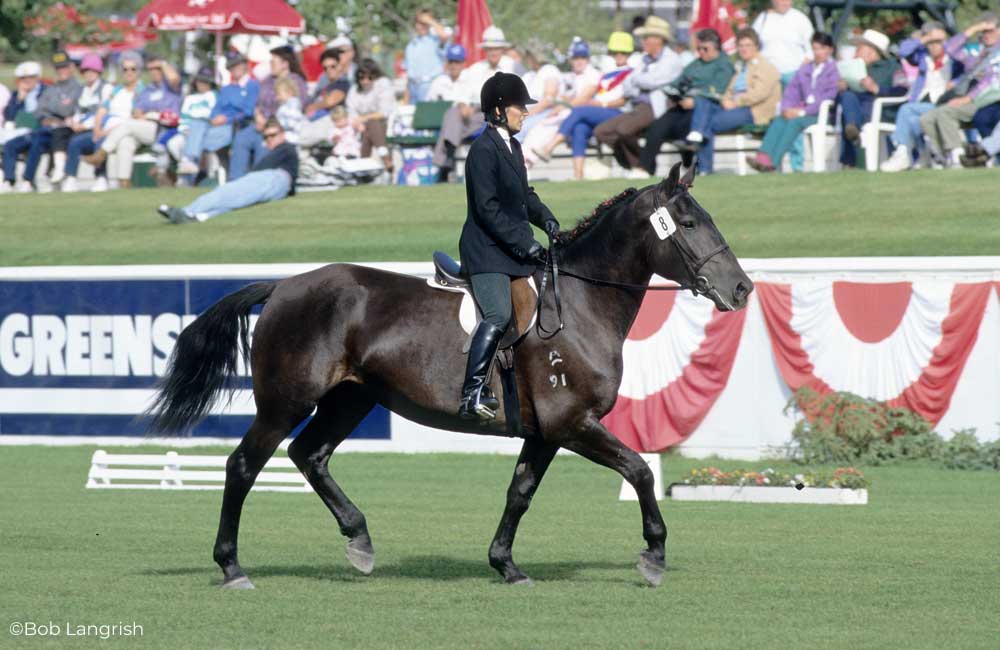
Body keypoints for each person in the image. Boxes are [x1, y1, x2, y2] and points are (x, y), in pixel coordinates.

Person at [457, 71, 560, 421]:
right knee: (500, 314)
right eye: (520, 106)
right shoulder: (482, 151)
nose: (526, 112)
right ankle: (471, 393)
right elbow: (487, 210)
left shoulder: (513, 146)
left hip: (510, 249)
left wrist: (546, 218)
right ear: (499, 110)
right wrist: (526, 243)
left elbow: (523, 196)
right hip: (486, 250)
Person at [532, 32, 635, 180]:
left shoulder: (631, 73)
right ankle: (578, 176)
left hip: (618, 113)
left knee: (578, 111)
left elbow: (625, 100)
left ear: (629, 53)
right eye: (615, 52)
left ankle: (549, 147)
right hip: (601, 111)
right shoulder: (607, 72)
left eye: (623, 52)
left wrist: (602, 103)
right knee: (579, 128)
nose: (618, 55)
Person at [679, 27, 781, 174]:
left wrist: (735, 102)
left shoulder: (765, 66)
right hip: (733, 107)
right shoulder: (741, 67)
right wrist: (726, 100)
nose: (744, 49)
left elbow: (760, 93)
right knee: (703, 100)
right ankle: (698, 140)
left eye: (748, 45)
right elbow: (728, 91)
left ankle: (703, 165)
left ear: (756, 46)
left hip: (753, 110)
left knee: (707, 123)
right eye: (741, 46)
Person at [158, 117, 297, 224]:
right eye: (266, 137)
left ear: (282, 134)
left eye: (273, 135)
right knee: (238, 199)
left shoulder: (286, 147)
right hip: (276, 183)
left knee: (231, 191)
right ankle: (199, 216)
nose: (269, 139)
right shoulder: (276, 151)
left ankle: (188, 211)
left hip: (276, 178)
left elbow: (261, 168)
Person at [594, 15, 684, 175]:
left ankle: (642, 166)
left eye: (646, 38)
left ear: (658, 39)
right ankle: (638, 164)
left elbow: (652, 81)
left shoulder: (672, 60)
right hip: (636, 105)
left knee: (624, 130)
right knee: (601, 131)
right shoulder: (645, 59)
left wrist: (636, 80)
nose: (642, 41)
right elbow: (629, 86)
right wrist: (637, 81)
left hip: (654, 107)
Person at [639, 28, 734, 175]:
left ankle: (693, 166)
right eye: (698, 48)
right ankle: (644, 169)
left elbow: (718, 90)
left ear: (716, 48)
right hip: (684, 104)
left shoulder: (724, 64)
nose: (701, 52)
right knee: (657, 127)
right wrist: (673, 92)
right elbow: (679, 81)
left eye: (705, 49)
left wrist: (695, 101)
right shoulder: (696, 63)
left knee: (686, 127)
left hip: (706, 107)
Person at [83, 55, 181, 189]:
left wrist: (162, 62)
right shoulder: (148, 90)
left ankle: (101, 153)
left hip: (165, 129)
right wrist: (144, 115)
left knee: (126, 124)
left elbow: (174, 78)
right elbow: (137, 112)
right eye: (151, 69)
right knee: (125, 142)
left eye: (157, 69)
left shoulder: (170, 87)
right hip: (146, 126)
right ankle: (124, 183)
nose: (154, 71)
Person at [433, 25, 516, 181]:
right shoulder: (476, 69)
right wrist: (463, 104)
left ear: (502, 49)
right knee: (453, 113)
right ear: (485, 50)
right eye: (489, 48)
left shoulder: (511, 67)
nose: (492, 52)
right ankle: (448, 161)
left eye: (496, 48)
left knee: (454, 121)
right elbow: (464, 92)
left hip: (498, 113)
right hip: (475, 113)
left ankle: (445, 164)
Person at [747, 32, 839, 172]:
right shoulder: (805, 68)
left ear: (829, 50)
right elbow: (792, 91)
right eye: (815, 48)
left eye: (821, 48)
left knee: (793, 123)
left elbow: (828, 97)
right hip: (800, 111)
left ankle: (773, 162)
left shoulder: (833, 70)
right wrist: (787, 108)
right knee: (779, 120)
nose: (818, 52)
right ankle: (763, 157)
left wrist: (802, 111)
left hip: (819, 114)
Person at [881, 22, 964, 172]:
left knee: (906, 110)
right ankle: (920, 154)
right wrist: (924, 39)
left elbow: (966, 67)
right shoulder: (923, 57)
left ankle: (905, 152)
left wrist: (955, 82)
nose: (934, 46)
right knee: (913, 120)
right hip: (923, 102)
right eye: (931, 43)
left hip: (944, 104)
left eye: (938, 42)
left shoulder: (953, 58)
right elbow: (903, 51)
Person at [920, 13, 1000, 168]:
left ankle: (959, 155)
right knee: (927, 118)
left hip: (984, 100)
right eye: (983, 32)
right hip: (979, 100)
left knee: (946, 112)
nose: (986, 34)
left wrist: (968, 98)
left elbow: (989, 81)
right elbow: (950, 48)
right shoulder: (977, 53)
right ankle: (943, 157)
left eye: (990, 30)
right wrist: (975, 28)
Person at [61, 52, 143, 193]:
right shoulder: (117, 90)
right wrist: (97, 128)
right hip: (104, 127)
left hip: (122, 129)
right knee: (76, 142)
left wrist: (105, 131)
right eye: (125, 69)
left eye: (132, 69)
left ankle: (101, 177)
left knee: (102, 141)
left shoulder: (141, 91)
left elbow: (134, 117)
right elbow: (102, 110)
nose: (129, 72)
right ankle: (71, 178)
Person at [229, 44, 308, 180]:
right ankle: (235, 182)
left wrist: (269, 124)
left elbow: (295, 107)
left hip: (279, 127)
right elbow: (257, 103)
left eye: (273, 62)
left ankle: (258, 181)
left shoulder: (295, 81)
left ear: (285, 64)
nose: (270, 65)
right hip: (259, 123)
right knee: (241, 140)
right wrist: (258, 115)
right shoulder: (267, 81)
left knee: (265, 144)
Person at [175, 51, 257, 177]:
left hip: (236, 127)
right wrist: (214, 119)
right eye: (231, 67)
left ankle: (190, 161)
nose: (235, 69)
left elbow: (248, 111)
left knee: (194, 138)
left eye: (237, 65)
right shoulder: (226, 90)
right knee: (197, 124)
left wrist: (227, 119)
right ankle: (189, 161)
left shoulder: (253, 86)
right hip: (216, 127)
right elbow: (216, 110)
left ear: (244, 66)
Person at [520, 39, 601, 165]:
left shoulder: (593, 74)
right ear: (570, 59)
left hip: (587, 115)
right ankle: (526, 161)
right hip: (570, 113)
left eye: (583, 57)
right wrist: (559, 106)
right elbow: (565, 96)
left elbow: (584, 98)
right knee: (544, 124)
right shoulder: (571, 75)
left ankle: (533, 157)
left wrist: (561, 107)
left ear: (588, 59)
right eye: (575, 57)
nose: (579, 60)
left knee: (550, 124)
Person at [17, 52, 82, 192]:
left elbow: (68, 110)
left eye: (64, 67)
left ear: (70, 67)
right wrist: (53, 115)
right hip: (50, 128)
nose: (61, 71)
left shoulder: (77, 87)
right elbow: (39, 111)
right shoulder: (51, 89)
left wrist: (55, 112)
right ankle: (28, 180)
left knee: (59, 135)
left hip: (68, 130)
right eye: (58, 68)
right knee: (37, 141)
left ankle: (57, 172)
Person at [837, 29, 901, 168]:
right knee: (847, 97)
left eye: (860, 48)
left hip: (879, 109)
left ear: (872, 51)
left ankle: (849, 161)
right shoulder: (854, 67)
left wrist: (877, 88)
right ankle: (852, 128)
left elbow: (902, 90)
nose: (856, 51)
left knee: (849, 113)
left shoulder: (893, 67)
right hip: (857, 108)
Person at [50, 54, 110, 188]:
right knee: (62, 134)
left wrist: (85, 125)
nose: (89, 74)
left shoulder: (106, 88)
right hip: (82, 129)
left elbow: (105, 112)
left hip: (100, 128)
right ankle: (69, 176)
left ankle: (101, 177)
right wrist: (75, 122)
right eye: (86, 71)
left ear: (98, 71)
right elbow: (78, 111)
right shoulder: (82, 90)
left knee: (86, 141)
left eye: (92, 70)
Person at [0, 61, 45, 193]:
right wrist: (19, 99)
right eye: (23, 78)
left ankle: (28, 180)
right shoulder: (16, 95)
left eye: (30, 77)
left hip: (40, 131)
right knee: (10, 145)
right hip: (19, 133)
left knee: (35, 143)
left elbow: (44, 114)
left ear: (37, 77)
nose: (27, 81)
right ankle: (9, 180)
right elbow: (9, 115)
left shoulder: (44, 92)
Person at [346, 58, 397, 174]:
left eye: (369, 77)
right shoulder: (354, 90)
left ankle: (363, 165)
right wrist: (359, 122)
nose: (365, 81)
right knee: (370, 127)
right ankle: (385, 158)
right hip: (362, 128)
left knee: (372, 123)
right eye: (361, 78)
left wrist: (363, 119)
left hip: (385, 124)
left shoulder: (383, 83)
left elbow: (384, 112)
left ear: (375, 75)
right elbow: (351, 112)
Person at [299, 47, 350, 148]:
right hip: (314, 120)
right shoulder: (325, 85)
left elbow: (330, 102)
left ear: (340, 66)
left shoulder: (343, 83)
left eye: (332, 66)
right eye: (325, 68)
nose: (329, 70)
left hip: (331, 120)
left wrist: (312, 107)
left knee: (298, 138)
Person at [752, 0, 814, 80]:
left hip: (793, 74)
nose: (785, 3)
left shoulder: (800, 19)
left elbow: (812, 48)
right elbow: (751, 44)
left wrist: (802, 70)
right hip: (767, 75)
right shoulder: (763, 18)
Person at [405, 8, 450, 103]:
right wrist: (405, 100)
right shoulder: (411, 45)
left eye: (424, 24)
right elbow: (409, 77)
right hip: (413, 88)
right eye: (418, 23)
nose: (421, 26)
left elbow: (444, 36)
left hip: (430, 86)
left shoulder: (435, 41)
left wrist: (429, 20)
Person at [274, 77, 305, 144]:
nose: (277, 98)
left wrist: (278, 127)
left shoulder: (290, 107)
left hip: (291, 139)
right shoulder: (284, 107)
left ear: (289, 92)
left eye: (279, 94)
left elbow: (293, 123)